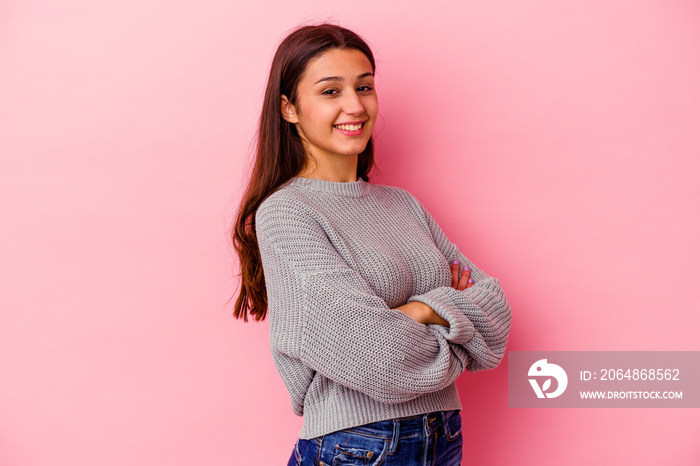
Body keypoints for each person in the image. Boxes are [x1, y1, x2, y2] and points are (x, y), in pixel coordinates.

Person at [232, 23, 512, 466]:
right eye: (330, 91)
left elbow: (495, 312)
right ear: (289, 109)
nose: (355, 105)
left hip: (445, 433)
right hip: (359, 444)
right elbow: (380, 358)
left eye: (364, 86)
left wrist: (405, 317)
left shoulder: (402, 204)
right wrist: (441, 307)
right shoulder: (287, 213)